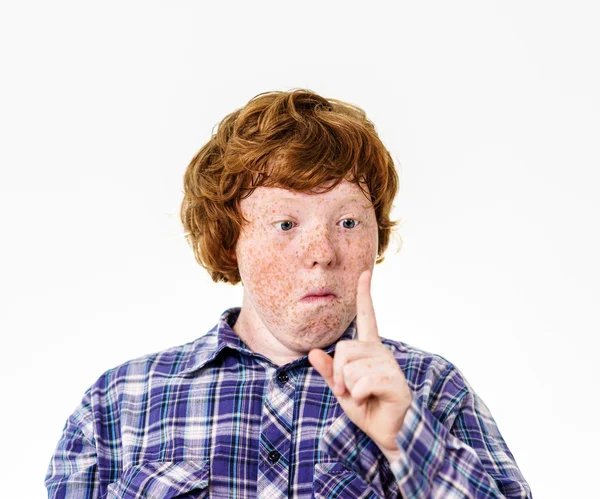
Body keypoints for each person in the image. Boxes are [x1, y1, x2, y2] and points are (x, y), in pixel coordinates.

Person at [45, 89, 532, 498]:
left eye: (347, 222)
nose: (322, 252)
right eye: (285, 223)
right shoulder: (119, 402)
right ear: (228, 238)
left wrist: (408, 438)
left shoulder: (430, 390)